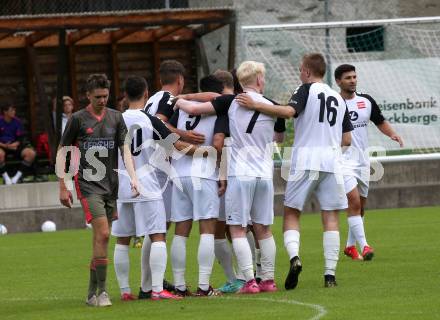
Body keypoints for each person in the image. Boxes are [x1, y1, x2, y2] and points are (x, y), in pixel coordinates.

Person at [235, 53, 353, 288]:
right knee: (330, 216)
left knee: (291, 213)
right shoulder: (339, 99)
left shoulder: (306, 88)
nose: (300, 73)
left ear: (307, 72)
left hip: (305, 159)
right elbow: (347, 139)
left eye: (301, 69)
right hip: (332, 161)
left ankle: (295, 258)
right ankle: (330, 275)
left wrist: (256, 104)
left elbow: (289, 112)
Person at [112, 75, 200, 301]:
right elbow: (175, 145)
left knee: (122, 240)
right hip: (147, 186)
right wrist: (206, 152)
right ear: (145, 94)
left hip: (121, 187)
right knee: (158, 236)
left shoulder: (115, 120)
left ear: (125, 94)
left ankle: (125, 292)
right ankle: (158, 289)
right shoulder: (149, 119)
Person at [56, 74, 139, 307]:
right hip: (87, 185)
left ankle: (91, 293)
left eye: (105, 96)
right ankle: (102, 292)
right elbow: (64, 151)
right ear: (88, 96)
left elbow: (125, 149)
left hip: (111, 187)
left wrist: (133, 178)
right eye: (98, 97)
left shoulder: (116, 118)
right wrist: (63, 185)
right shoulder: (78, 120)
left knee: (101, 240)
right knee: (103, 234)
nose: (102, 100)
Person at [334, 64, 403, 261]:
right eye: (348, 77)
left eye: (354, 76)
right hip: (342, 160)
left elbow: (379, 120)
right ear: (338, 81)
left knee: (360, 207)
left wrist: (393, 134)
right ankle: (365, 246)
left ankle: (349, 247)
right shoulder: (334, 102)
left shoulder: (366, 100)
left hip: (362, 161)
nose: (353, 80)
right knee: (353, 202)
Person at [168, 75, 228, 297]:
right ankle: (204, 286)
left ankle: (181, 286)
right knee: (207, 231)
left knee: (181, 232)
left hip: (179, 174)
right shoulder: (219, 108)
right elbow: (219, 145)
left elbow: (166, 134)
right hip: (204, 174)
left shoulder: (182, 108)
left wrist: (182, 146)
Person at [0, 102, 37, 185]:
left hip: (15, 146)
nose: (14, 112)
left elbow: (21, 137)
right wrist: (6, 146)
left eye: (14, 110)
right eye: (11, 110)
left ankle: (16, 177)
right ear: (5, 112)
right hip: (2, 145)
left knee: (31, 153)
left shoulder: (17, 122)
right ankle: (6, 177)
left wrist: (15, 144)